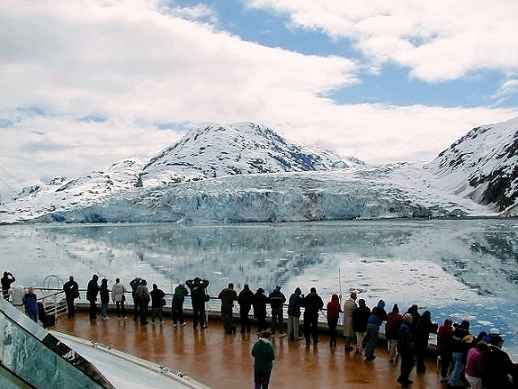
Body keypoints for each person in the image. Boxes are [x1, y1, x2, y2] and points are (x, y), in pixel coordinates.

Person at [448, 320, 471, 388]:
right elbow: (468, 343)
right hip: (460, 353)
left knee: (454, 367)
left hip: (453, 352)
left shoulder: (456, 331)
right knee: (458, 369)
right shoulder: (466, 332)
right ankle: (453, 383)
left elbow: (451, 339)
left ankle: (451, 380)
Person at [397, 313, 415, 388]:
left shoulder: (403, 326)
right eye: (411, 319)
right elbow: (406, 340)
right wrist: (411, 345)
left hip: (402, 348)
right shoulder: (406, 328)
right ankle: (403, 379)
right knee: (409, 364)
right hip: (406, 349)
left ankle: (404, 378)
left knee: (405, 364)